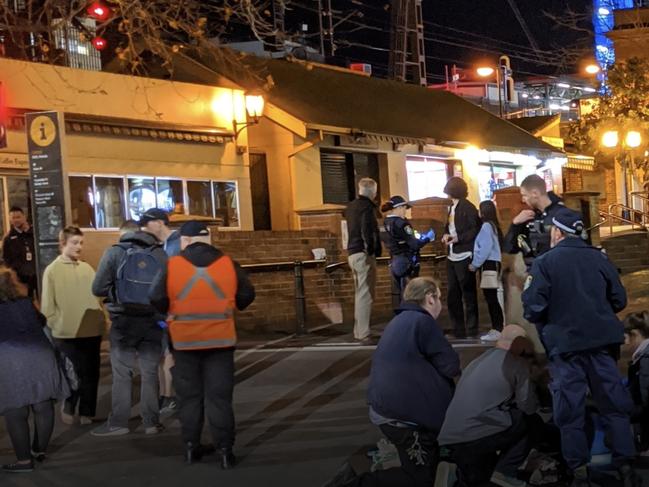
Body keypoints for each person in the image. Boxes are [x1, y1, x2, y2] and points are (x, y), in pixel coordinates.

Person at [523, 207, 640, 487]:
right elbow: (619, 300)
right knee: (613, 405)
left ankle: (578, 470)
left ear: (557, 232)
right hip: (602, 345)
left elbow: (533, 307)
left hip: (566, 348)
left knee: (570, 411)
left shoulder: (545, 262)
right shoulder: (599, 258)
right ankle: (625, 465)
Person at [324, 277, 460, 487]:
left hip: (389, 408)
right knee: (419, 478)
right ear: (430, 298)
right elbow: (451, 365)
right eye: (439, 298)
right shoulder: (422, 322)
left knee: (425, 466)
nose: (441, 305)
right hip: (404, 417)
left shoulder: (399, 321)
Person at [149, 221, 255, 468]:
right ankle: (226, 450)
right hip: (221, 341)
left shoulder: (172, 265)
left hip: (185, 342)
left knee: (190, 397)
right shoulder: (229, 264)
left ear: (185, 240)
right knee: (219, 398)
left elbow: (155, 297)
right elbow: (247, 295)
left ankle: (190, 446)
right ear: (209, 239)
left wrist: (172, 313)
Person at [91, 222, 168, 436]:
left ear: (124, 234)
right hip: (153, 320)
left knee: (122, 373)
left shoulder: (115, 252)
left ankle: (118, 423)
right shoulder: (161, 255)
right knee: (150, 372)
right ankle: (151, 422)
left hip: (124, 320)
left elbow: (97, 288)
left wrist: (115, 293)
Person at [438, 325, 538, 487]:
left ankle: (453, 475)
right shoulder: (516, 362)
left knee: (476, 479)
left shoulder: (478, 360)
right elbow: (528, 406)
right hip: (475, 435)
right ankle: (505, 473)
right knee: (530, 422)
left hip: (450, 436)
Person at [0, 266, 70, 473]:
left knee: (15, 410)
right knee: (43, 405)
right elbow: (42, 322)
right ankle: (39, 450)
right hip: (41, 356)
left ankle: (24, 461)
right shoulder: (26, 303)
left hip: (11, 360)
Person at [40, 227, 106, 426]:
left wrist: (100, 319)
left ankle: (87, 411)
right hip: (66, 333)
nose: (79, 247)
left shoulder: (86, 268)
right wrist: (56, 323)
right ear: (63, 244)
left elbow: (96, 298)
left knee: (91, 373)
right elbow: (47, 306)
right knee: (73, 374)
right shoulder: (52, 270)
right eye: (74, 243)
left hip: (91, 331)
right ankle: (69, 405)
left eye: (81, 243)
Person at [139, 208, 181, 414]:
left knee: (168, 352)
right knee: (162, 351)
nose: (144, 229)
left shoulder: (177, 243)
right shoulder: (158, 246)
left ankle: (169, 396)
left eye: (147, 224)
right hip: (159, 309)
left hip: (172, 309)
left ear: (159, 223)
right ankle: (165, 395)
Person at [380, 195, 435, 311]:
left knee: (397, 293)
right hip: (406, 260)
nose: (405, 211)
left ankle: (400, 317)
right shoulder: (402, 224)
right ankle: (411, 316)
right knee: (411, 292)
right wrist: (428, 238)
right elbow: (414, 244)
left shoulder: (384, 223)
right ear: (399, 208)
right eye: (405, 208)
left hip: (394, 260)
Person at [442, 177, 480, 339]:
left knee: (468, 292)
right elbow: (449, 227)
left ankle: (472, 328)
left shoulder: (468, 207)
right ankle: (457, 328)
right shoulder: (451, 207)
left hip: (464, 254)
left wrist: (459, 239)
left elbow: (475, 229)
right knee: (453, 293)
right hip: (452, 254)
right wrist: (446, 235)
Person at [345, 178, 382, 342]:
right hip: (363, 253)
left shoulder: (351, 207)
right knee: (366, 293)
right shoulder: (367, 207)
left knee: (360, 292)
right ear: (373, 192)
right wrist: (372, 249)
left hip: (352, 252)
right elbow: (367, 229)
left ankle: (359, 330)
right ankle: (363, 332)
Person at [503, 174, 564, 267]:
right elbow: (508, 249)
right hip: (536, 273)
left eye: (524, 195)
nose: (523, 200)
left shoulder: (563, 215)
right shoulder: (529, 217)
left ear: (535, 193)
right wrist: (515, 224)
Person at [469, 200, 505, 342]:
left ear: (483, 212)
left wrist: (475, 264)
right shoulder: (493, 226)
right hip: (494, 263)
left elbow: (484, 248)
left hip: (488, 264)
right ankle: (498, 327)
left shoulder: (485, 226)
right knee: (492, 297)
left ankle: (497, 329)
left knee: (491, 298)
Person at [624, 311, 649, 454]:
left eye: (625, 337)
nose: (625, 343)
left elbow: (646, 397)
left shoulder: (645, 358)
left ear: (634, 334)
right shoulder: (641, 357)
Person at [1, 206, 37, 298]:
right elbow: (6, 259)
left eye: (18, 217)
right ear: (10, 220)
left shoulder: (35, 233)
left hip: (37, 275)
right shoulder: (8, 238)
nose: (16, 220)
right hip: (20, 278)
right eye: (13, 218)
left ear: (24, 217)